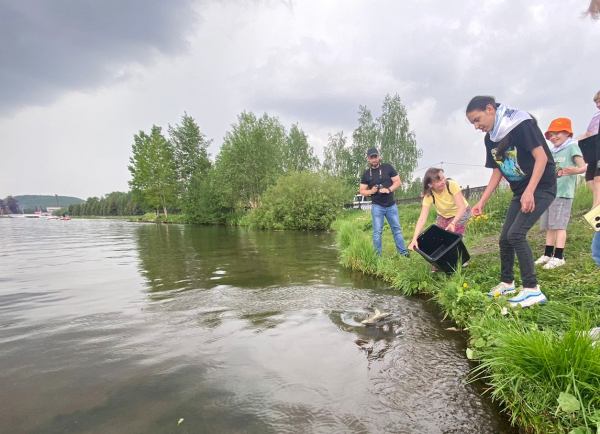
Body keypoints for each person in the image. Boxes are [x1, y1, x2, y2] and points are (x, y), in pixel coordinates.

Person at [466, 96, 556, 308]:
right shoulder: (491, 138)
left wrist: (530, 191)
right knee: (505, 238)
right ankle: (507, 283)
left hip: (541, 186)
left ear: (490, 108)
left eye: (477, 120)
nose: (477, 126)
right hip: (520, 190)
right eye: (473, 123)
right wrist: (482, 202)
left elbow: (541, 158)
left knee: (516, 234)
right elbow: (498, 171)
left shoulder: (521, 124)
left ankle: (532, 290)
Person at [534, 118, 586, 269]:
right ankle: (547, 254)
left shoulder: (572, 147)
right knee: (549, 225)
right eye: (551, 134)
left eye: (557, 133)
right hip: (550, 193)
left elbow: (583, 167)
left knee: (559, 226)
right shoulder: (552, 151)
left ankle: (559, 256)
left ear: (567, 133)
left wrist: (575, 170)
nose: (554, 137)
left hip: (563, 193)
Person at [407, 168, 471, 269]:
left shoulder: (451, 185)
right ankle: (440, 262)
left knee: (454, 235)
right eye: (438, 180)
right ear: (430, 185)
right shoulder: (429, 195)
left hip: (461, 212)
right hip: (444, 215)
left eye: (443, 177)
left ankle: (460, 260)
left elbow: (461, 207)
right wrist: (414, 239)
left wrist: (453, 223)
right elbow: (422, 218)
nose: (443, 181)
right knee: (440, 235)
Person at [359, 147, 409, 257]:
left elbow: (398, 182)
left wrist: (388, 189)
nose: (374, 159)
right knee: (377, 232)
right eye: (371, 158)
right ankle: (377, 256)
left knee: (397, 229)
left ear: (379, 156)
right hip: (377, 206)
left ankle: (403, 253)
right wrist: (371, 191)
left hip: (391, 204)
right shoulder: (366, 174)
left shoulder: (388, 167)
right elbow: (362, 191)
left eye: (375, 157)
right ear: (368, 159)